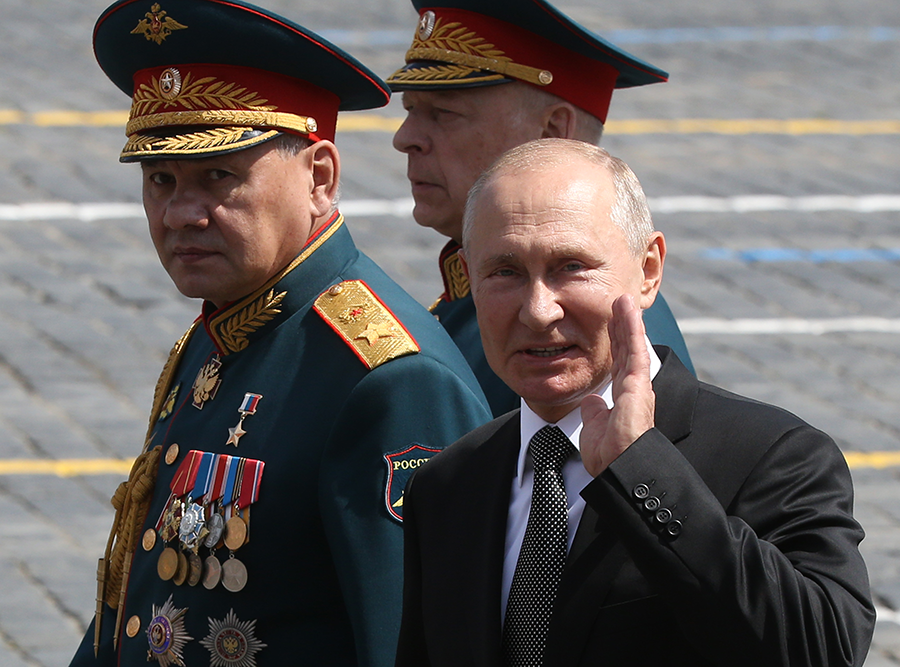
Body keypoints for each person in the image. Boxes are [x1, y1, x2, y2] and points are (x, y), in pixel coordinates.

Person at [69, 1, 491, 666]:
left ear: (319, 177)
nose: (181, 212)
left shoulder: (387, 378)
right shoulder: (224, 327)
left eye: (219, 176)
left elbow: (410, 646)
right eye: (160, 179)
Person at [395, 139, 874, 666]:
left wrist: (643, 469)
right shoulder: (449, 484)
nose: (537, 310)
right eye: (504, 272)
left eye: (570, 266)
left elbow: (823, 649)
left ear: (648, 270)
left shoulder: (771, 457)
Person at [387, 0, 695, 417]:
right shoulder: (473, 306)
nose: (406, 138)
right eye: (409, 111)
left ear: (553, 131)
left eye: (444, 113)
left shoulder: (608, 344)